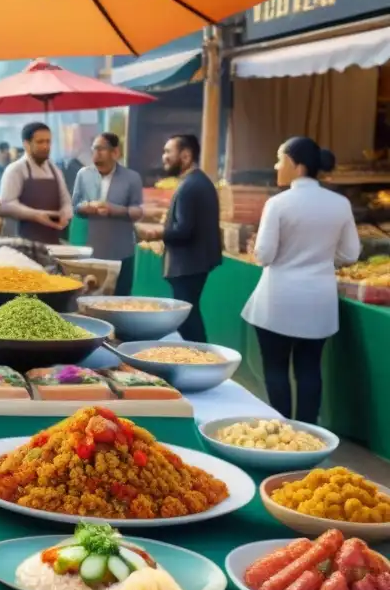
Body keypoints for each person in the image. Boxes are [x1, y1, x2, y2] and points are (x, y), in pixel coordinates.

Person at [241, 138, 360, 424]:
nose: (275, 166)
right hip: (318, 299)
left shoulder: (278, 203)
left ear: (297, 166)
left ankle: (284, 433)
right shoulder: (340, 203)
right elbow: (351, 253)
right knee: (309, 370)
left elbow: (265, 255)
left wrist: (257, 249)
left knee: (276, 369)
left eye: (280, 159)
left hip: (278, 299)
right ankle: (309, 435)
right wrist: (321, 259)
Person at [140, 134, 222, 344]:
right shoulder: (197, 182)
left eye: (168, 152)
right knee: (188, 318)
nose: (164, 157)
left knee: (187, 320)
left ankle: (201, 362)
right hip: (193, 264)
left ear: (185, 156)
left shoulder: (191, 186)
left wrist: (155, 233)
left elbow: (183, 230)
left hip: (188, 265)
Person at [71, 133, 144, 295]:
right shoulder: (84, 175)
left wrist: (113, 209)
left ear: (115, 152)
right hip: (92, 251)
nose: (96, 155)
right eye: (94, 150)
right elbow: (75, 206)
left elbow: (137, 211)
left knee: (120, 299)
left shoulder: (132, 178)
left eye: (101, 149)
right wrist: (87, 207)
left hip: (122, 252)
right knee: (90, 297)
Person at [0, 122, 73, 262]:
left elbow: (66, 201)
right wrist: (36, 215)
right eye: (40, 142)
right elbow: (5, 205)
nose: (45, 146)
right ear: (26, 144)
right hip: (23, 248)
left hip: (53, 247)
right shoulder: (15, 170)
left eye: (48, 141)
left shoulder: (55, 170)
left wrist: (65, 214)